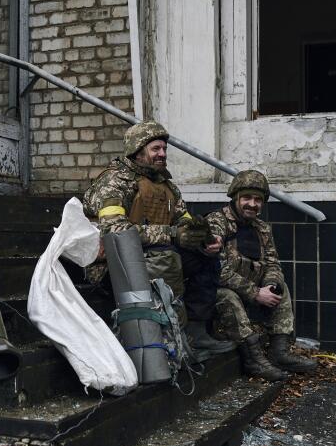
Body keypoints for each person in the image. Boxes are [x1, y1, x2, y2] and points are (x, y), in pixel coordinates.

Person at [83, 120, 235, 360]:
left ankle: (196, 332)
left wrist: (202, 238)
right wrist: (173, 234)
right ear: (137, 150)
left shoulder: (166, 186)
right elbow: (115, 230)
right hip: (113, 264)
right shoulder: (114, 181)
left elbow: (183, 220)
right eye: (156, 149)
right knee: (167, 256)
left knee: (206, 259)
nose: (162, 154)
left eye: (164, 149)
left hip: (156, 254)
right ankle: (175, 343)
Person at [206, 170, 316, 380]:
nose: (252, 204)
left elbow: (272, 263)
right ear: (236, 198)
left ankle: (279, 352)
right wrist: (256, 293)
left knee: (280, 286)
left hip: (250, 286)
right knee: (227, 296)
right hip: (217, 290)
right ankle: (253, 359)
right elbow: (216, 270)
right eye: (246, 198)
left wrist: (272, 284)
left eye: (258, 200)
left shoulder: (262, 228)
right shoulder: (217, 222)